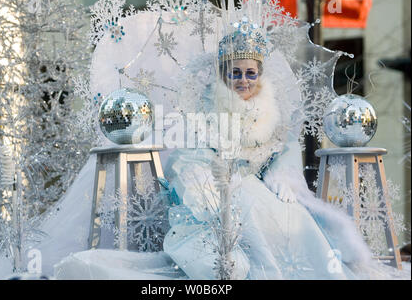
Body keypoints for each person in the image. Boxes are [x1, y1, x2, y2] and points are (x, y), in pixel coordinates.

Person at [161, 26, 379, 280]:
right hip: (226, 194)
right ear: (224, 75)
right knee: (251, 212)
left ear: (259, 76)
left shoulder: (271, 112)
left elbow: (285, 149)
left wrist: (283, 175)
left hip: (263, 189)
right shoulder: (207, 111)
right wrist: (210, 179)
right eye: (236, 73)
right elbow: (188, 158)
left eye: (250, 73)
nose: (244, 80)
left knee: (295, 217)